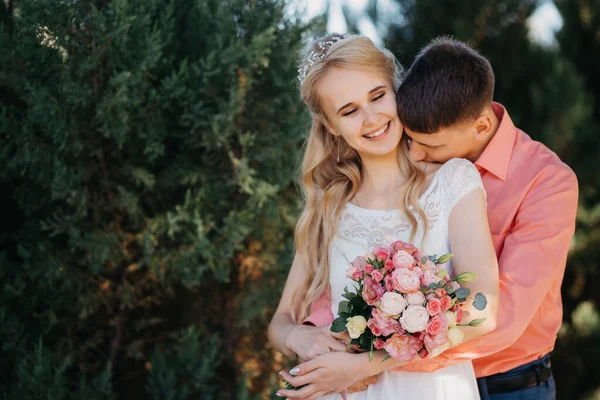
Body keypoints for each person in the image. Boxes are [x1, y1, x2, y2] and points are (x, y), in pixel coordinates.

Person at [303, 37, 579, 400]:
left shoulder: (547, 182)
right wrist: (321, 344)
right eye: (411, 140)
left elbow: (503, 315)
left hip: (506, 383)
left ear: (480, 127)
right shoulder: (415, 137)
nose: (414, 154)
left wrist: (371, 362)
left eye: (430, 147)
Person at [267, 33, 499, 400]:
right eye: (349, 110)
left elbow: (482, 310)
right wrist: (300, 336)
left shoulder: (453, 180)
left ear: (395, 88)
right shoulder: (331, 204)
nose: (372, 118)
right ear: (330, 126)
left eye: (377, 96)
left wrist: (365, 365)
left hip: (431, 389)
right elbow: (279, 324)